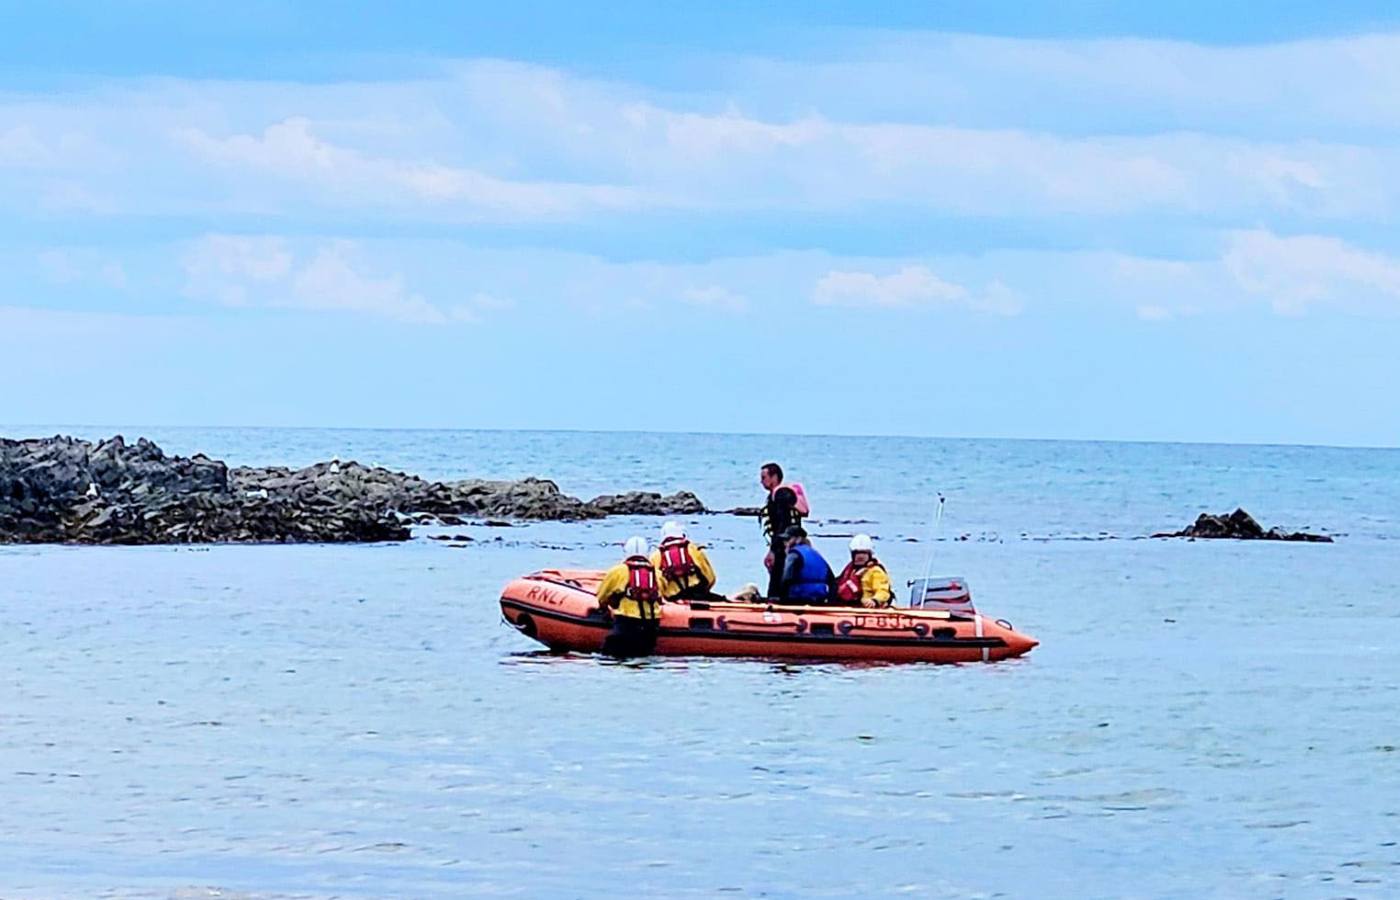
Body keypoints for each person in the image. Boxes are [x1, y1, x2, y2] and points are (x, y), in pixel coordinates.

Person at [594, 536, 663, 657]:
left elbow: (602, 595)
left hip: (627, 622)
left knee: (610, 656)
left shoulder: (618, 571)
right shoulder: (657, 573)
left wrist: (604, 608)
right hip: (651, 624)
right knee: (643, 656)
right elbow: (662, 596)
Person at [759, 462, 810, 598]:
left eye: (764, 477)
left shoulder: (781, 494)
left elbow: (782, 523)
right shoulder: (788, 493)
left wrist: (774, 550)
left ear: (774, 477)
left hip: (784, 544)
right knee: (789, 576)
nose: (761, 482)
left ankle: (776, 603)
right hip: (795, 542)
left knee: (779, 577)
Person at [650, 520, 718, 602]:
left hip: (673, 600)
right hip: (699, 595)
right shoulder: (694, 549)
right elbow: (710, 578)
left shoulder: (655, 556)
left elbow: (656, 585)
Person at [777, 525, 837, 604]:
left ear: (798, 539)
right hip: (820, 599)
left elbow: (786, 578)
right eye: (784, 540)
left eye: (788, 539)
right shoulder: (816, 554)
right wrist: (831, 602)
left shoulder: (793, 554)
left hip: (799, 599)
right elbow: (832, 581)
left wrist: (782, 600)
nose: (785, 543)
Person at [835, 534, 893, 607]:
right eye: (857, 553)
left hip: (869, 608)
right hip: (852, 606)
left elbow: (883, 591)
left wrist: (875, 601)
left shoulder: (875, 572)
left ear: (869, 555)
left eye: (864, 553)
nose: (860, 557)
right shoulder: (850, 570)